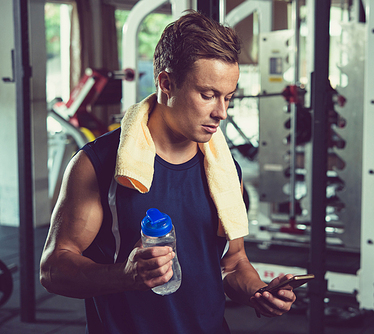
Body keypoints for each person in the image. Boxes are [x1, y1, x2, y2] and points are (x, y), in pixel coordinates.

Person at [40, 10, 297, 334]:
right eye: (208, 95)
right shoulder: (97, 165)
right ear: (166, 83)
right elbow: (52, 269)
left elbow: (232, 264)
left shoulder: (225, 169)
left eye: (228, 97)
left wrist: (258, 292)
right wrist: (125, 275)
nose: (222, 113)